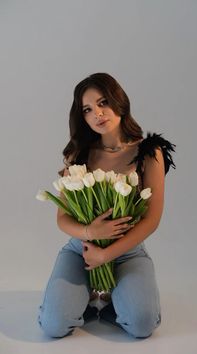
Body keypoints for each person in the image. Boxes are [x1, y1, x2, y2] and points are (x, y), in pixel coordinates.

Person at [37, 72, 176, 339]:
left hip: (127, 251)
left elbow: (152, 219)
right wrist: (91, 235)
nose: (97, 114)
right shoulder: (79, 155)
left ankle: (112, 305)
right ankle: (82, 303)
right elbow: (62, 219)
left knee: (142, 324)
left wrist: (106, 255)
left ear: (119, 101)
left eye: (103, 103)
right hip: (82, 250)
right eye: (88, 110)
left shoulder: (149, 152)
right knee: (54, 325)